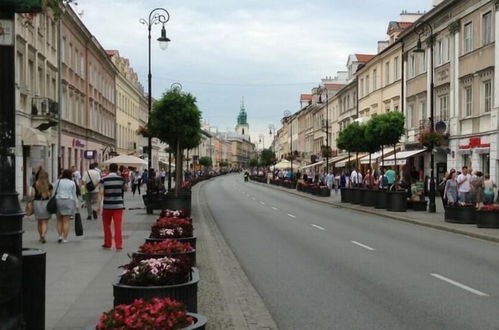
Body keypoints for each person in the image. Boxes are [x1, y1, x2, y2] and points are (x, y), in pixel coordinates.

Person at [97, 163, 126, 250]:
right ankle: (118, 245)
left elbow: (101, 193)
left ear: (109, 169)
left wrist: (98, 206)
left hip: (107, 206)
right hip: (118, 205)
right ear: (117, 169)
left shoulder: (103, 180)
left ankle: (108, 243)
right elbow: (125, 189)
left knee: (106, 225)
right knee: (118, 225)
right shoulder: (121, 179)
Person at [54, 169, 78, 243]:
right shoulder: (72, 183)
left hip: (58, 200)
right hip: (68, 201)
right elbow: (74, 194)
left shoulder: (58, 181)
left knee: (59, 220)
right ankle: (65, 238)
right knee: (66, 221)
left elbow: (54, 191)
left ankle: (60, 236)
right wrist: (76, 204)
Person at [31, 167, 53, 243]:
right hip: (46, 203)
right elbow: (51, 195)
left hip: (37, 203)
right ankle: (43, 234)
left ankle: (40, 236)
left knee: (39, 221)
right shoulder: (49, 185)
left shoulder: (35, 184)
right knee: (45, 222)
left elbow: (32, 195)